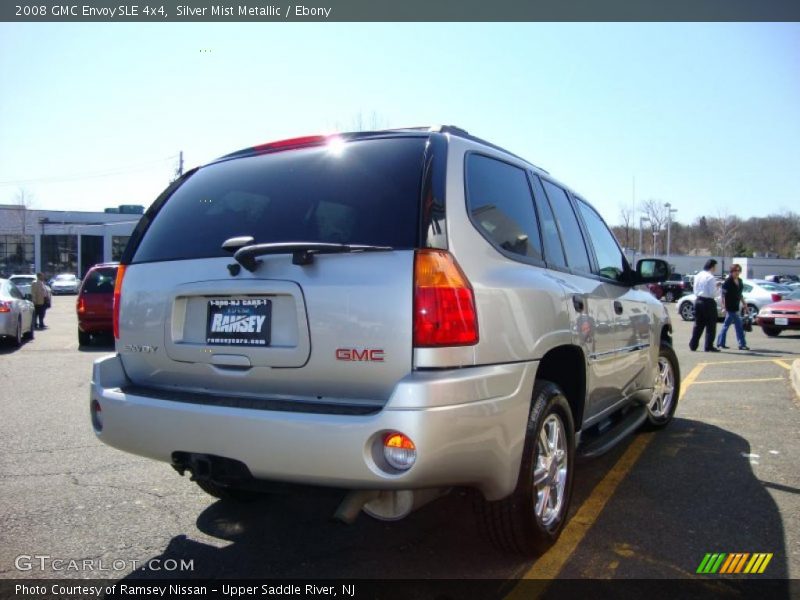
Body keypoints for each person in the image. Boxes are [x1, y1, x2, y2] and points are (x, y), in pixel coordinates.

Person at [716, 264, 749, 350]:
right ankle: (742, 344)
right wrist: (724, 306)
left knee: (726, 325)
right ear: (731, 272)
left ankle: (720, 342)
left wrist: (744, 304)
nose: (737, 272)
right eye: (735, 271)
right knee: (738, 325)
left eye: (738, 271)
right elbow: (723, 295)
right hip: (729, 306)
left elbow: (740, 294)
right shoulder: (728, 282)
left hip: (736, 305)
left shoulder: (740, 281)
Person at [689, 259, 719, 352]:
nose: (715, 269)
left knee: (698, 324)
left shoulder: (698, 275)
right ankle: (708, 346)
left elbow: (695, 289)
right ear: (712, 266)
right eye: (715, 267)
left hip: (698, 300)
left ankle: (693, 344)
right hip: (708, 302)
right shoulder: (710, 277)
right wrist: (717, 288)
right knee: (711, 325)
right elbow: (713, 293)